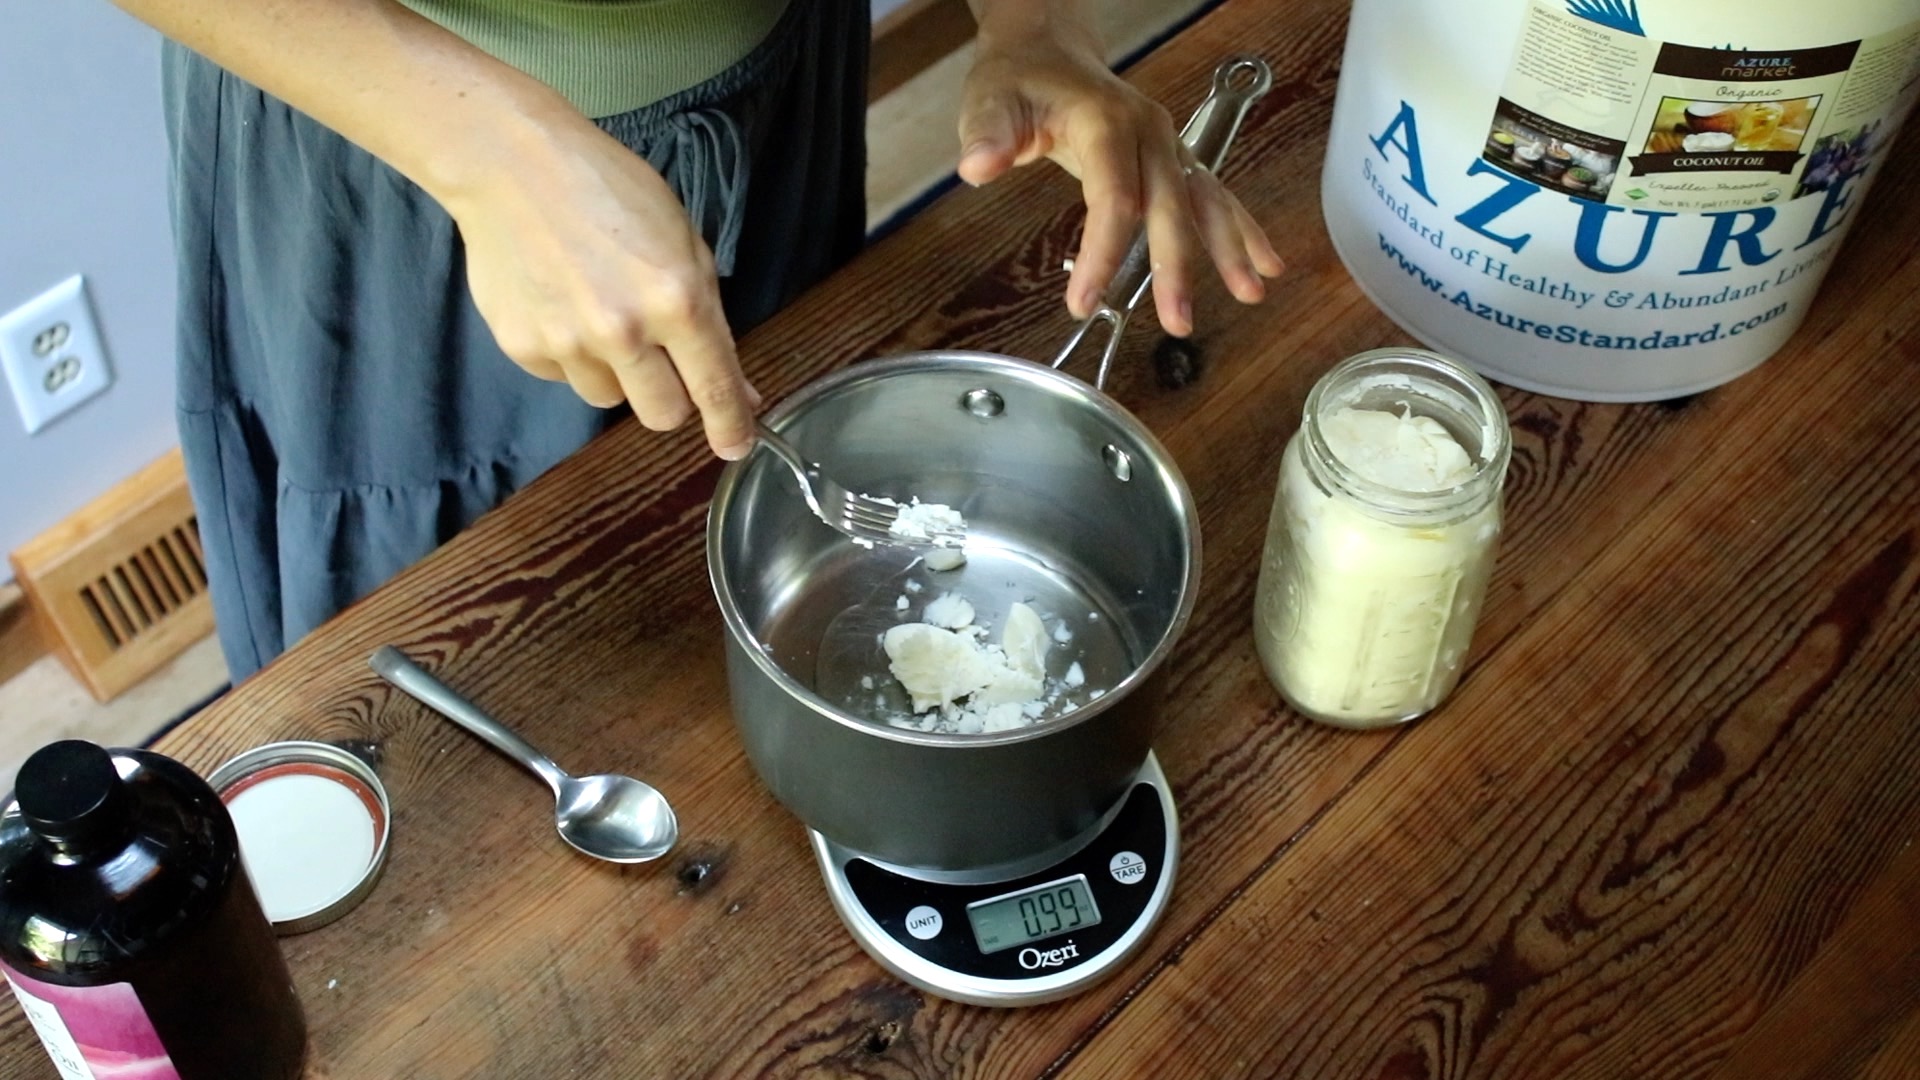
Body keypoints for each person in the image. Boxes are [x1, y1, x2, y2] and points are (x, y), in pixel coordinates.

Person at [112, 0, 1283, 681]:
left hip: (776, 79)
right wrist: (487, 153)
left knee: (725, 515)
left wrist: (1034, 20)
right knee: (447, 636)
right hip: (400, 144)